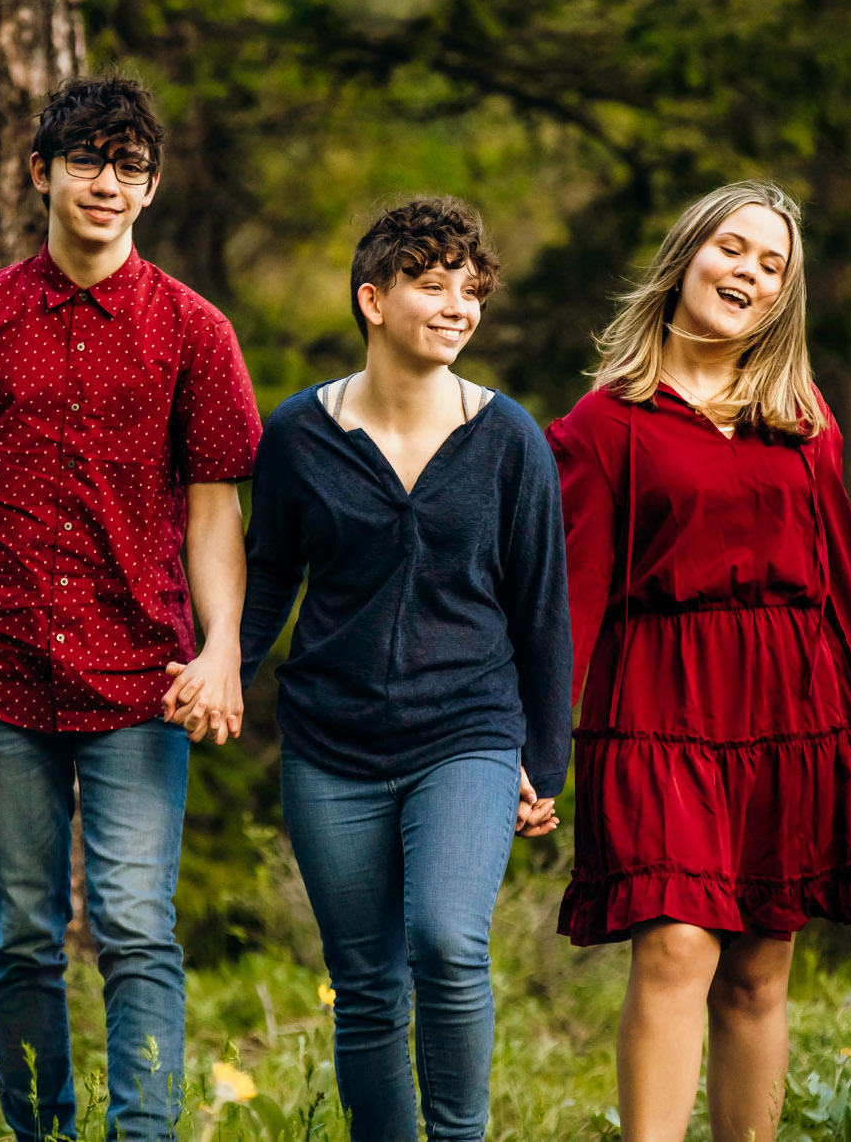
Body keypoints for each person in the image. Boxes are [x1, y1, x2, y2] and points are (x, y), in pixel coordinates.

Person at [0, 74, 262, 1142]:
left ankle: (139, 1134)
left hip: (140, 679)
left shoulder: (195, 331)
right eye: (88, 161)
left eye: (129, 166)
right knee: (19, 934)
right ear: (39, 173)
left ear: (149, 188)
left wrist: (225, 648)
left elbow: (214, 510)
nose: (107, 182)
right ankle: (42, 1132)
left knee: (138, 928)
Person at [545, 180, 851, 1142]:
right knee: (677, 944)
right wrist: (535, 741)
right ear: (685, 258)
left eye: (772, 265)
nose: (748, 273)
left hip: (789, 707)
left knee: (759, 967)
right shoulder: (605, 425)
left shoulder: (802, 417)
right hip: (661, 701)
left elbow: (842, 577)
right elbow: (572, 601)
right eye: (733, 248)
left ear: (783, 298)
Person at [202, 197, 572, 1142]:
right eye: (430, 282)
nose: (457, 305)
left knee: (448, 943)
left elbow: (540, 610)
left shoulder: (509, 441)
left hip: (469, 733)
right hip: (331, 746)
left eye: (469, 288)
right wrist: (227, 669)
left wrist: (544, 760)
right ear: (372, 298)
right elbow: (273, 568)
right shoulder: (297, 435)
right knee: (366, 986)